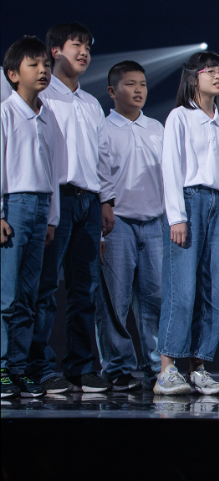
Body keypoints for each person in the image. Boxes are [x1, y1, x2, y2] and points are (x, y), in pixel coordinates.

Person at [29, 23, 109, 394]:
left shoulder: (91, 103)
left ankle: (81, 366)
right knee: (45, 287)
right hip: (56, 197)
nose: (84, 53)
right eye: (76, 45)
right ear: (55, 51)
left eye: (88, 47)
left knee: (84, 289)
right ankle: (39, 366)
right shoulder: (43, 97)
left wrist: (105, 201)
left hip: (88, 202)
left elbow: (101, 158)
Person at [154, 51, 219, 396]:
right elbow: (170, 167)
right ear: (193, 77)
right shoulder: (180, 116)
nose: (218, 76)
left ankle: (199, 367)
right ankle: (167, 369)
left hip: (216, 203)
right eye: (210, 71)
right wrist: (176, 216)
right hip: (188, 201)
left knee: (213, 289)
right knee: (182, 289)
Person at [95, 61, 166, 391]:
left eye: (143, 84)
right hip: (118, 222)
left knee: (155, 299)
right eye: (130, 84)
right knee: (115, 300)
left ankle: (156, 368)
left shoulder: (156, 128)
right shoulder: (103, 128)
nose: (138, 90)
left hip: (154, 222)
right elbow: (100, 175)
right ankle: (117, 368)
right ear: (112, 91)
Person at [1, 37, 62, 399]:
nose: (42, 70)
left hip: (40, 208)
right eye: (33, 65)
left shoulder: (47, 115)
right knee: (6, 296)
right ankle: (1, 368)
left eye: (46, 65)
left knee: (29, 295)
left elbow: (53, 169)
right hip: (13, 206)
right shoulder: (6, 113)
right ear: (12, 74)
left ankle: (17, 368)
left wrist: (52, 217)